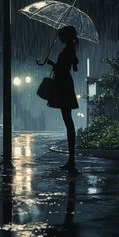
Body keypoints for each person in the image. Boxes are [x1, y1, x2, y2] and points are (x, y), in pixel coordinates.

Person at [47, 25, 79, 171]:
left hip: (64, 85)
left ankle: (71, 159)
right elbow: (73, 66)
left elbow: (62, 69)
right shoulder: (70, 50)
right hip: (65, 84)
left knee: (68, 121)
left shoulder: (68, 51)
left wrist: (52, 64)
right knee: (68, 121)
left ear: (65, 37)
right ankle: (71, 159)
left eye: (61, 35)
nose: (59, 37)